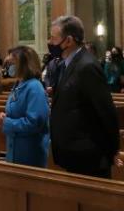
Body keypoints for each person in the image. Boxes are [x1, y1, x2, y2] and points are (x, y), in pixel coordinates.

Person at [48, 16, 120, 178]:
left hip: (88, 157)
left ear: (68, 41)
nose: (50, 42)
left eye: (53, 38)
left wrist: (112, 151)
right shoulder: (68, 64)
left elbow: (106, 112)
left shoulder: (86, 66)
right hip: (75, 155)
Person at [0, 46, 49, 167]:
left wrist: (6, 123)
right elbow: (16, 111)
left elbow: (34, 123)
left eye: (11, 63)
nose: (8, 68)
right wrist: (4, 116)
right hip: (14, 151)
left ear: (23, 65)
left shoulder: (34, 87)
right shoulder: (18, 84)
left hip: (29, 153)